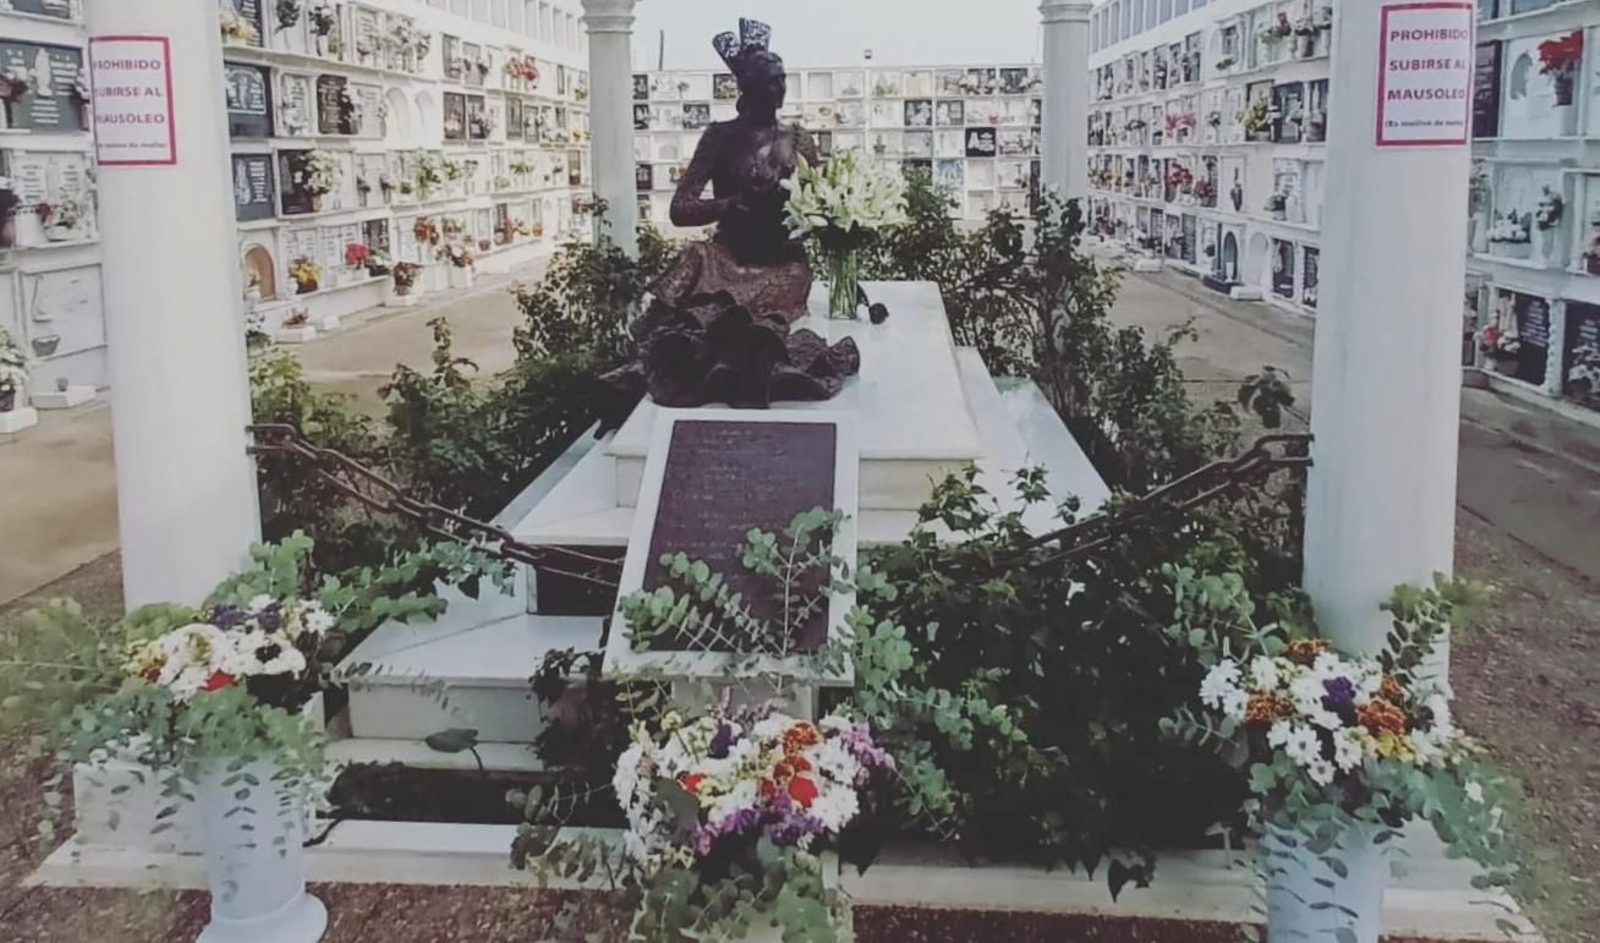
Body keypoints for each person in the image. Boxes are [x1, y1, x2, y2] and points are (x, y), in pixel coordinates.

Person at [653, 18, 819, 324]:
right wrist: (729, 205)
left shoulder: (798, 138)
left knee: (792, 276)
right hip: (727, 256)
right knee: (695, 257)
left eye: (782, 79)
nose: (781, 88)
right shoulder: (721, 137)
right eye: (772, 81)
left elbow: (820, 207)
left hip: (780, 261)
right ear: (750, 87)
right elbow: (680, 209)